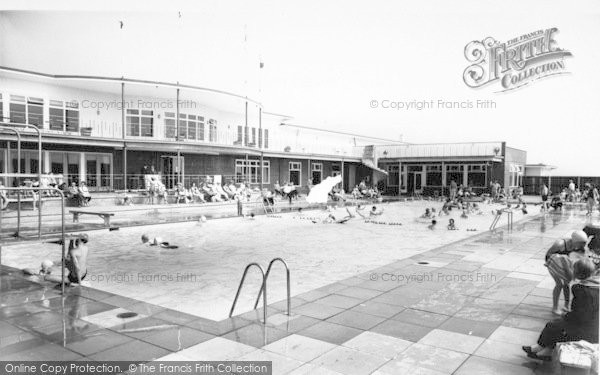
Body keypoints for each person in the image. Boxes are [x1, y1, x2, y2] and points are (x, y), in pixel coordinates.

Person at [523, 258, 599, 361]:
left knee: (553, 325)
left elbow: (580, 315)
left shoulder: (581, 290)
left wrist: (566, 315)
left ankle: (540, 348)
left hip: (586, 329)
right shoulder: (595, 285)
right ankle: (545, 350)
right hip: (594, 326)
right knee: (558, 325)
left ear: (576, 273)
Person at [545, 230, 590, 315]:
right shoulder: (560, 244)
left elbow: (583, 258)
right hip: (552, 263)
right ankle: (555, 308)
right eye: (581, 244)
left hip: (564, 263)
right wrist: (558, 263)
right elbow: (548, 255)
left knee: (567, 283)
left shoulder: (580, 246)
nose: (583, 246)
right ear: (575, 241)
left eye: (584, 244)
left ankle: (566, 306)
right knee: (559, 284)